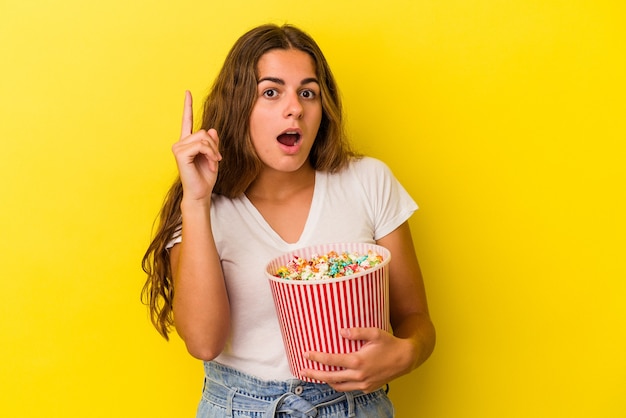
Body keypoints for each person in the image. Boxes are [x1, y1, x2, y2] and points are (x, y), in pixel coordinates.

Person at [142, 23, 436, 417]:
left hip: (355, 406)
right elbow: (203, 344)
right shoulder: (202, 206)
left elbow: (416, 319)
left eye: (307, 92)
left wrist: (406, 354)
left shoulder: (368, 181)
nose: (294, 106)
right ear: (238, 107)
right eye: (271, 92)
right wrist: (196, 202)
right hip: (238, 407)